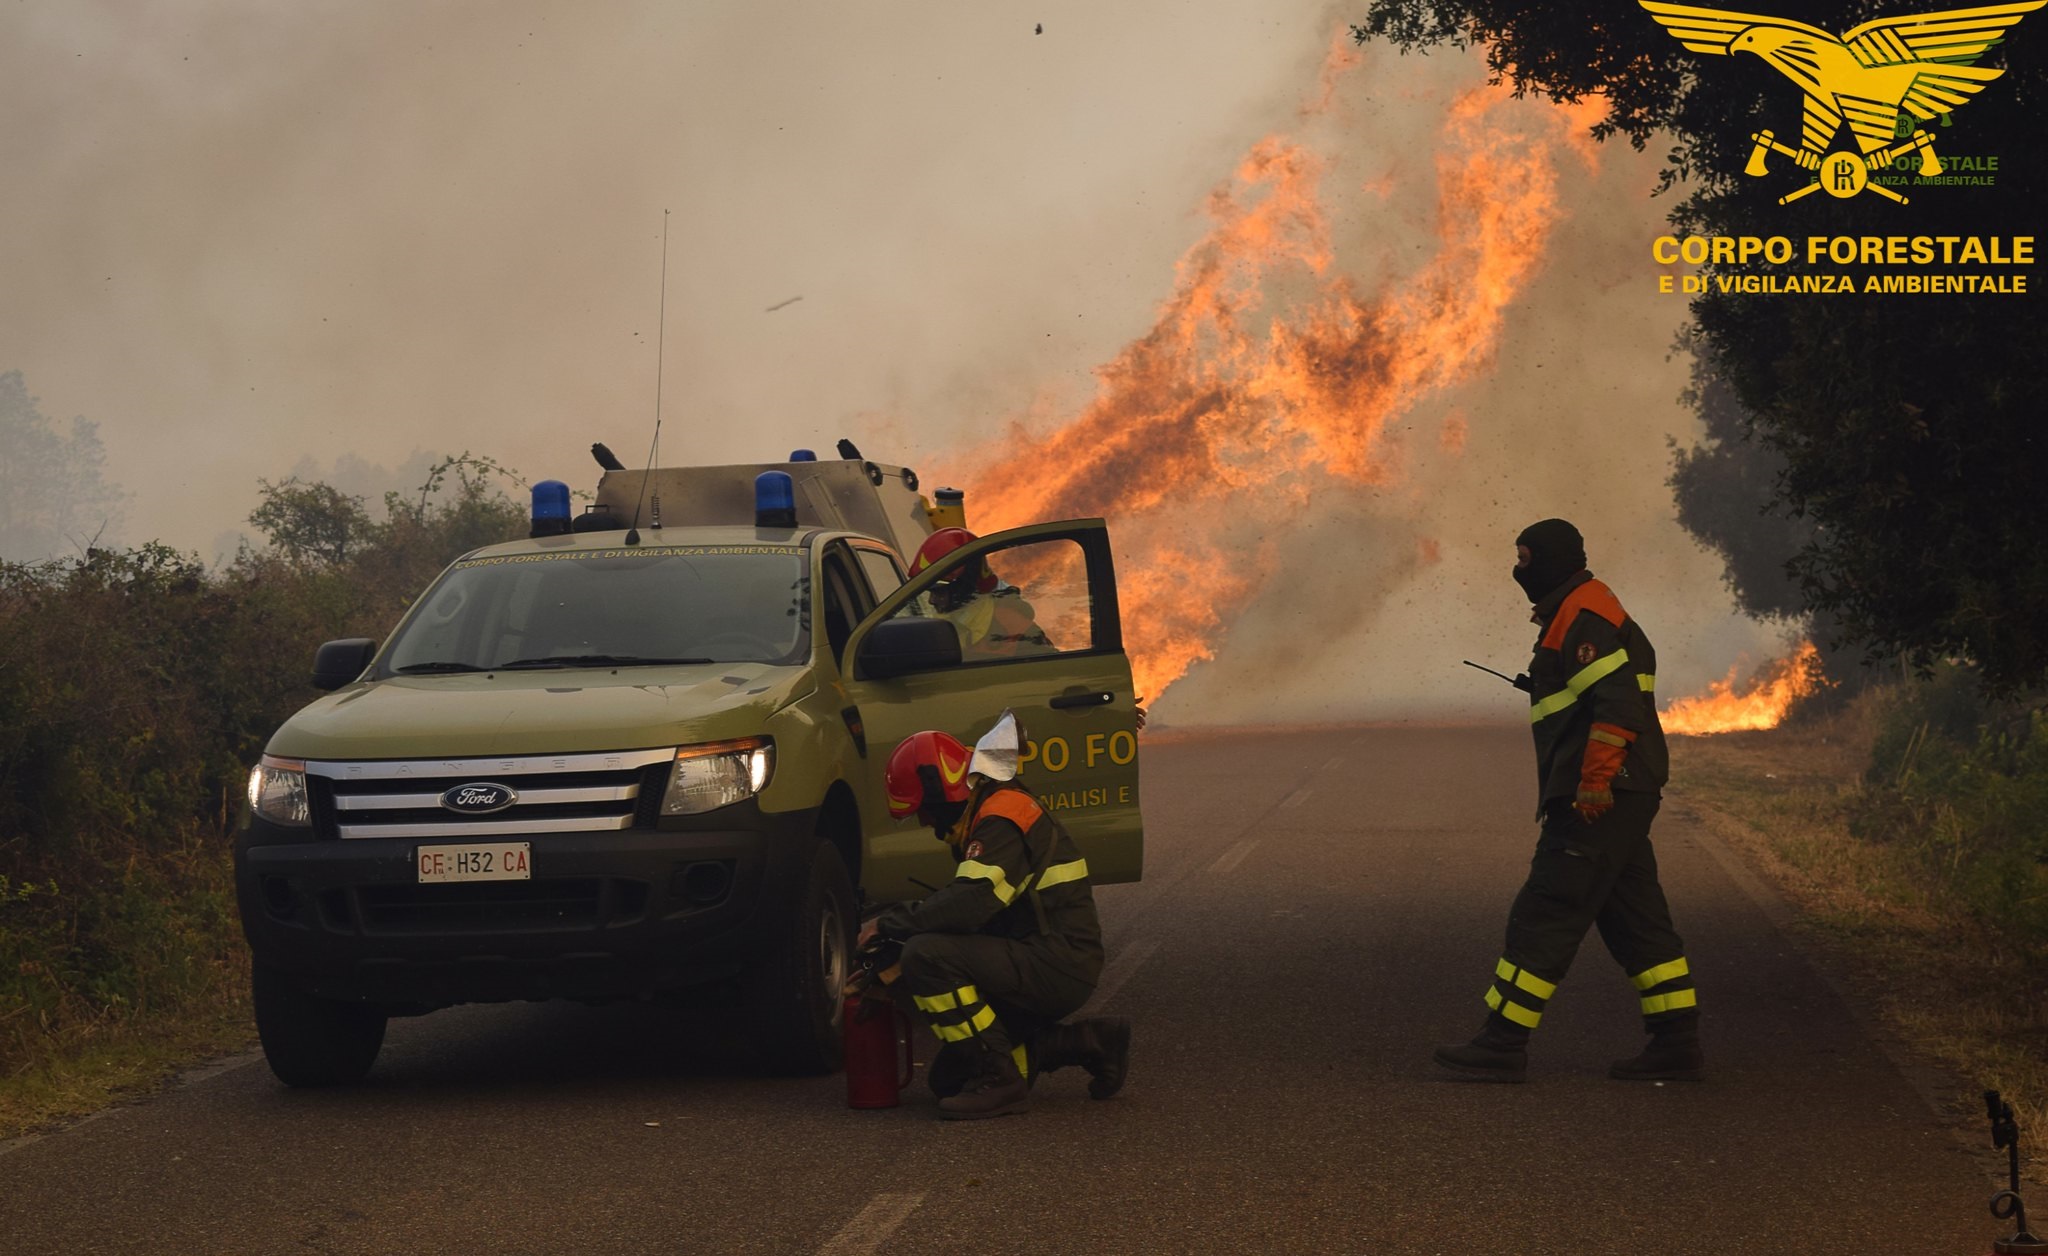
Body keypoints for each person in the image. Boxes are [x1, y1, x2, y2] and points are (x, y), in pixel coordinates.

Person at [1434, 519, 1703, 1083]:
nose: (1518, 570)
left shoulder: (1586, 618)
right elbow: (1588, 696)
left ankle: (1502, 1042)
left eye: (1525, 558)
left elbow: (1619, 707)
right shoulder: (1574, 614)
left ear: (1554, 561)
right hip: (1622, 791)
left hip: (1603, 794)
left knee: (1547, 909)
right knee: (1635, 918)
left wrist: (1594, 781)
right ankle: (1676, 1040)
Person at [858, 713, 1130, 1119]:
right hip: (1037, 954)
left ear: (941, 793)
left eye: (924, 810)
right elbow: (979, 912)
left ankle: (1001, 1077)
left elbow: (969, 904)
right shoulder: (986, 811)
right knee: (947, 1082)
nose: (926, 821)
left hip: (1056, 962)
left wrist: (888, 925)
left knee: (927, 955)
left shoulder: (1002, 818)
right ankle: (1089, 1041)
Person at [906, 528, 1054, 659]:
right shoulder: (937, 623)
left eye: (939, 592)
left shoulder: (1009, 622)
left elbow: (1052, 674)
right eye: (929, 592)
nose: (931, 600)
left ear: (962, 589)